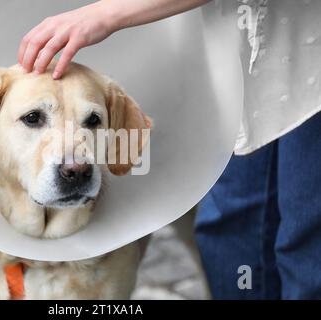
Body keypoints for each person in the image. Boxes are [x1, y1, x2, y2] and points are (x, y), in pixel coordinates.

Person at [18, 0, 321, 299]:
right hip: (242, 53)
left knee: (305, 243)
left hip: (312, 52)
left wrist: (107, 13)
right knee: (231, 228)